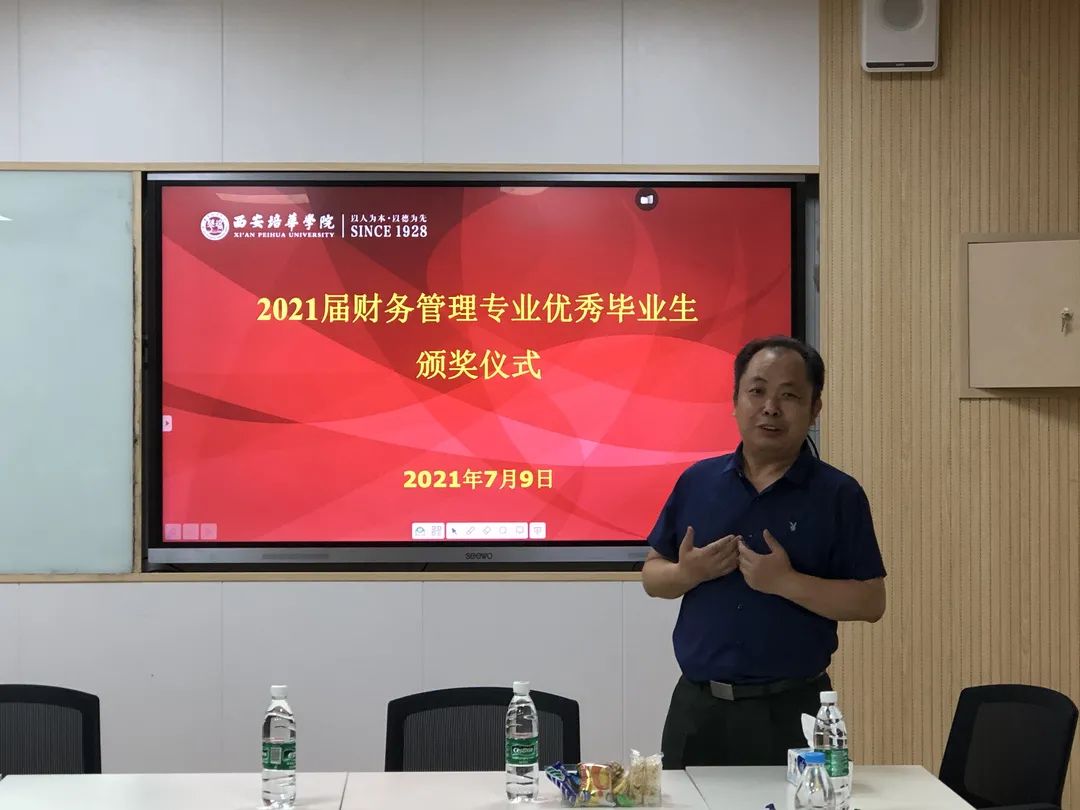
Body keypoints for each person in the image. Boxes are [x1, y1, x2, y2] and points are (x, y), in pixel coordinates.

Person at [642, 335, 887, 768]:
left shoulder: (838, 495)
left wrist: (786, 582)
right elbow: (652, 575)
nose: (770, 407)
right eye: (757, 391)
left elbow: (870, 602)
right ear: (735, 401)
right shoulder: (698, 482)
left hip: (791, 712)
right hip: (697, 709)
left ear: (815, 408)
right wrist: (687, 573)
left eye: (789, 395)